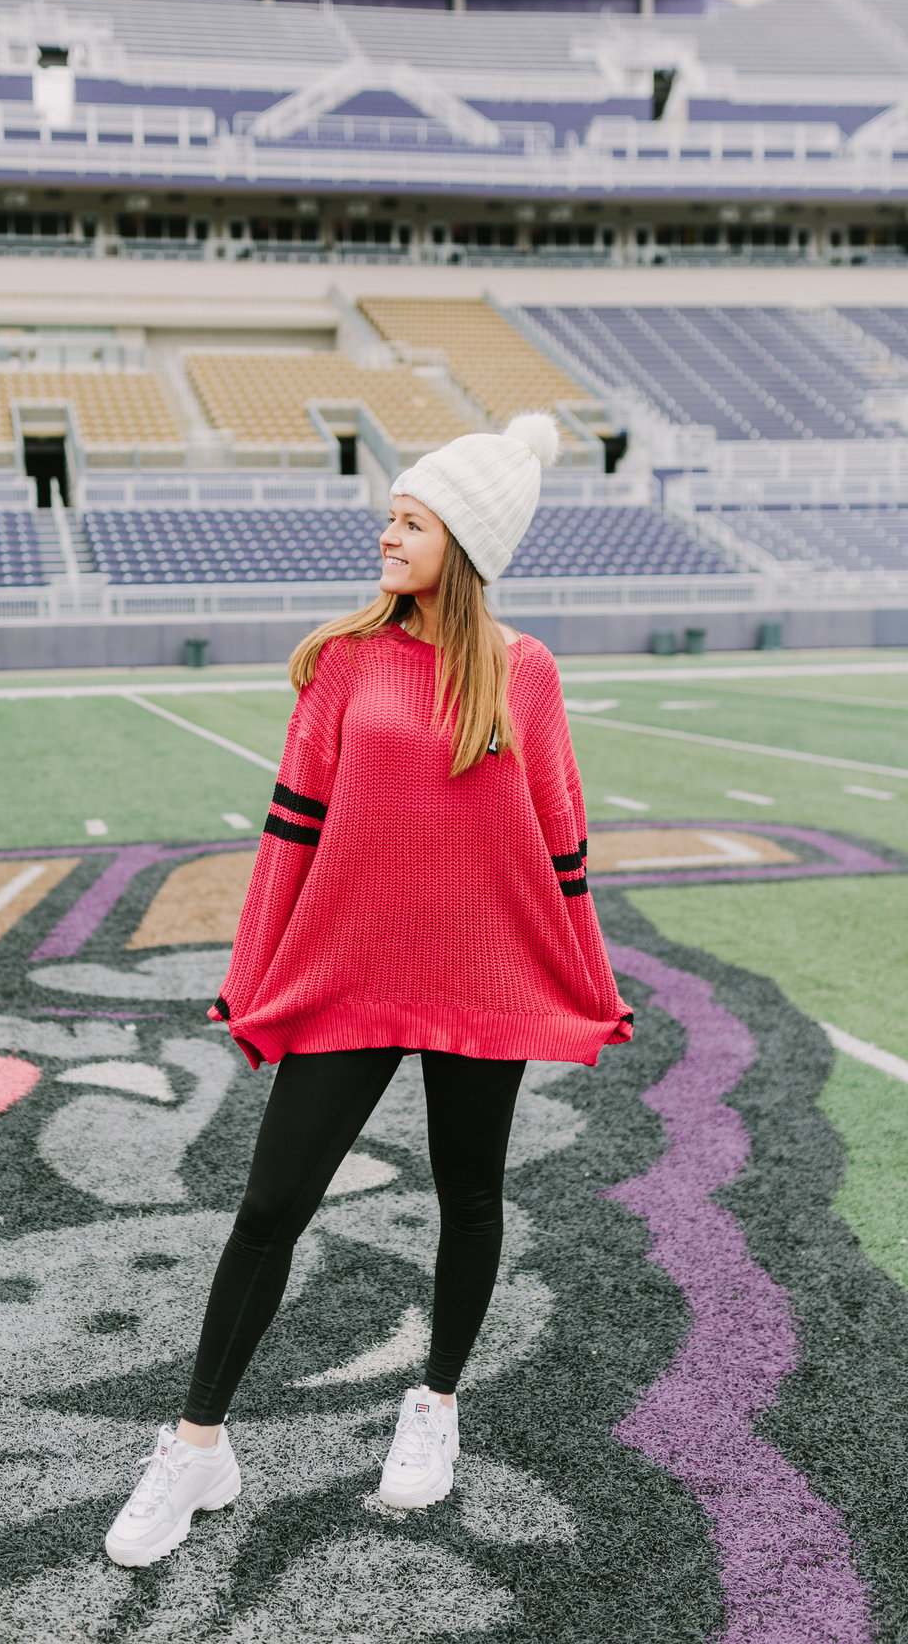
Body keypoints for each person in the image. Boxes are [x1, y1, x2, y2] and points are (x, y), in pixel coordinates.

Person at [105, 411, 633, 1568]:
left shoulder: (527, 676)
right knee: (268, 1210)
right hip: (351, 973)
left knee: (470, 1199)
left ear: (468, 541)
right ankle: (198, 1444)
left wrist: (586, 981)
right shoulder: (343, 662)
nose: (386, 536)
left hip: (482, 979)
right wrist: (255, 978)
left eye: (411, 521)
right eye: (391, 516)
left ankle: (435, 1405)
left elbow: (562, 846)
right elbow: (290, 833)